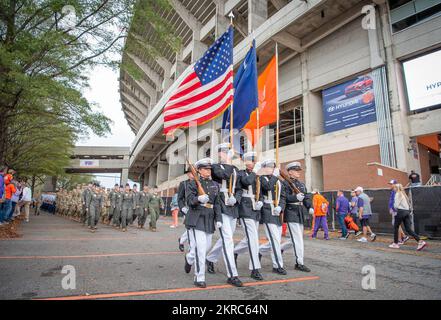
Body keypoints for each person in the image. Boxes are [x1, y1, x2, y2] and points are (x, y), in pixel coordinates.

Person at [205, 143, 243, 287]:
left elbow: (239, 187)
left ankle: (210, 258)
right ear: (220, 153)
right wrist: (228, 162)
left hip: (232, 206)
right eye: (225, 152)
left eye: (229, 151)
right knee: (228, 239)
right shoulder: (215, 167)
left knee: (226, 238)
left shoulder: (235, 169)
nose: (227, 154)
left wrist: (237, 198)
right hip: (220, 206)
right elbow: (224, 176)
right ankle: (232, 274)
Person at [184, 158, 222, 288]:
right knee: (200, 248)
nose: (208, 171)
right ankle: (199, 277)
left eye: (209, 169)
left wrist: (219, 220)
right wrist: (198, 199)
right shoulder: (193, 183)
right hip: (197, 217)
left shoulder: (215, 185)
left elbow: (217, 204)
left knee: (206, 247)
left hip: (209, 217)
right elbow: (189, 200)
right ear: (199, 170)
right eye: (205, 169)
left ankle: (189, 257)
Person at [233, 152, 264, 280]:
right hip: (245, 208)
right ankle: (255, 268)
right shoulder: (241, 173)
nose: (254, 163)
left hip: (255, 209)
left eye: (255, 161)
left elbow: (260, 190)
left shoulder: (257, 175)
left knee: (250, 238)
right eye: (252, 161)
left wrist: (260, 200)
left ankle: (235, 252)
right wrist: (255, 172)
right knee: (253, 238)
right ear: (246, 162)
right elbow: (246, 182)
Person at [280, 162, 312, 272]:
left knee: (296, 239)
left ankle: (279, 249)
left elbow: (306, 196)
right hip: (291, 212)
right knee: (298, 239)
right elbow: (284, 198)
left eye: (299, 170)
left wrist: (310, 207)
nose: (298, 172)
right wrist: (295, 197)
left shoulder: (301, 184)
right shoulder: (284, 183)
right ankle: (299, 263)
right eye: (296, 170)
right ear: (289, 172)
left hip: (300, 212)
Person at [259, 159, 287, 275]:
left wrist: (280, 207)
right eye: (269, 167)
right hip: (267, 211)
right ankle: (277, 265)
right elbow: (267, 187)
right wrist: (275, 177)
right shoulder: (261, 179)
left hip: (277, 213)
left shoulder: (278, 181)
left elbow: (283, 196)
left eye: (273, 167)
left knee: (276, 240)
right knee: (275, 240)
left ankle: (259, 251)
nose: (271, 169)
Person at [389, 184, 427, 251]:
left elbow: (396, 205)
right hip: (406, 212)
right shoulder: (403, 194)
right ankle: (420, 242)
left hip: (400, 212)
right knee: (408, 229)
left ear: (396, 188)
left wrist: (393, 209)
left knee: (396, 227)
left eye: (394, 187)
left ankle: (395, 244)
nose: (393, 188)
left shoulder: (397, 194)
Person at [178, 170, 194, 252]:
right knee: (190, 228)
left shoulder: (199, 182)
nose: (194, 174)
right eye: (192, 172)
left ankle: (181, 240)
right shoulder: (183, 184)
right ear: (188, 174)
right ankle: (191, 249)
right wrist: (182, 208)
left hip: (196, 208)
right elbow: (180, 198)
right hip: (187, 209)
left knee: (191, 228)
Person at [388, 179, 408, 245]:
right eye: (390, 184)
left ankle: (400, 239)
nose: (390, 185)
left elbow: (395, 202)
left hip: (396, 210)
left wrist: (392, 209)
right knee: (396, 224)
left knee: (396, 224)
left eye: (391, 184)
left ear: (395, 184)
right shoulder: (393, 191)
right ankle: (403, 237)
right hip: (396, 210)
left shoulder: (396, 191)